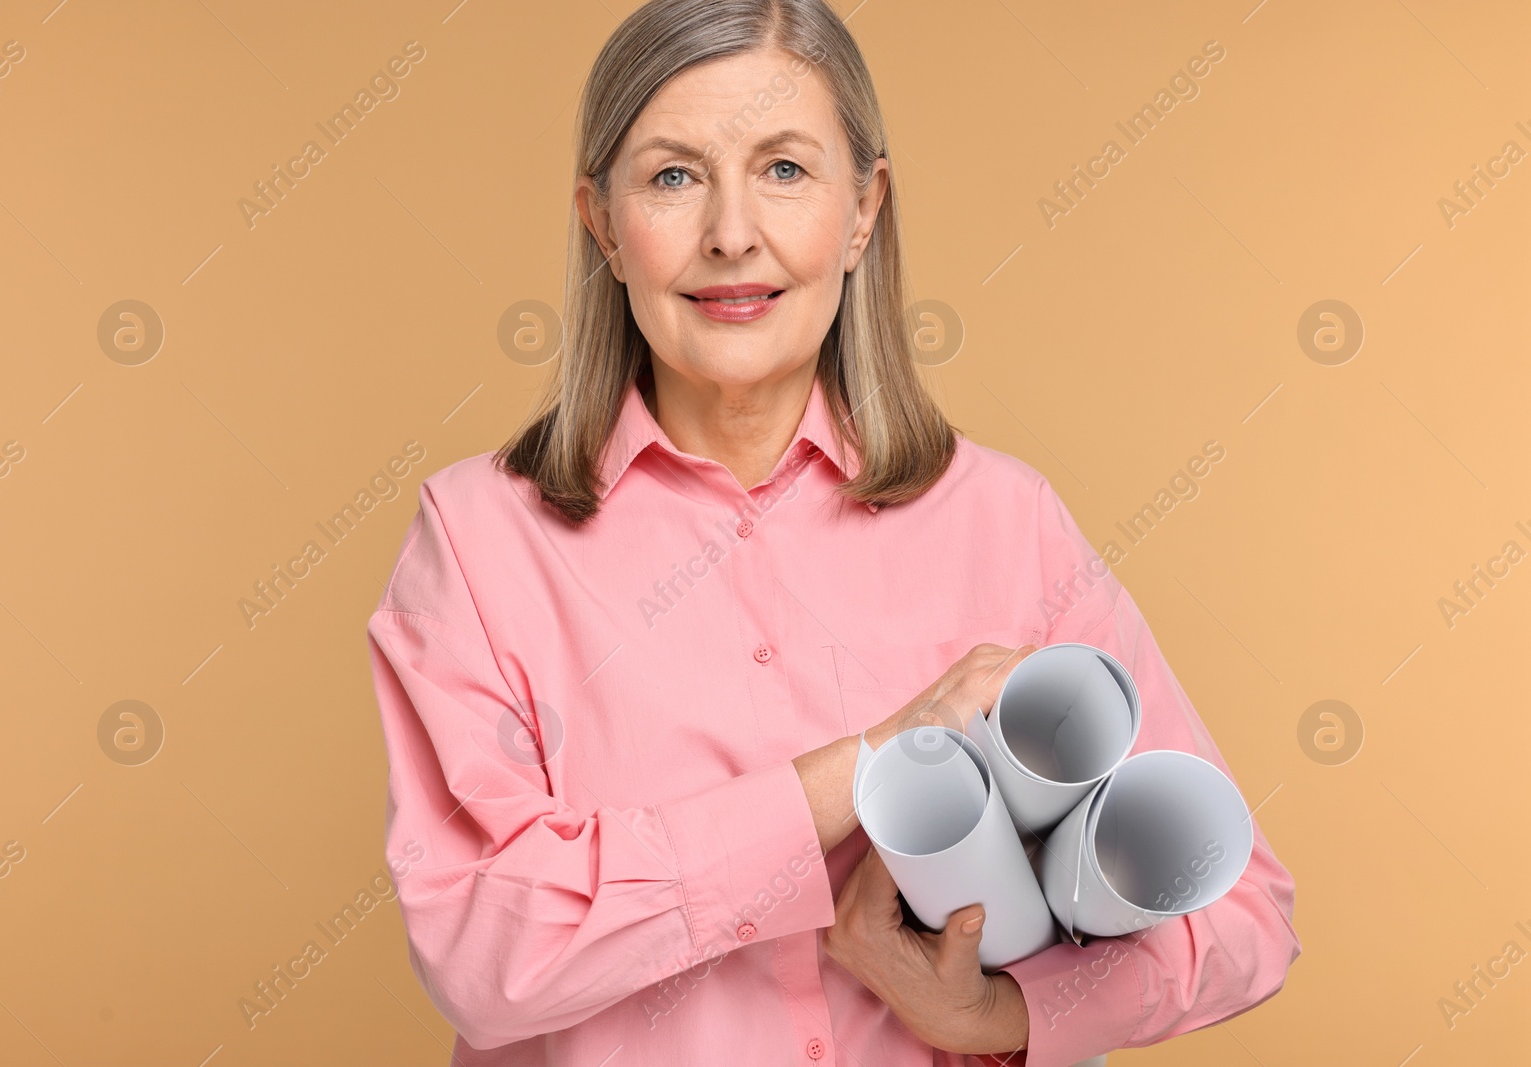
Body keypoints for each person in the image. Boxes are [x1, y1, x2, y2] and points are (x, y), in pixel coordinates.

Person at [364, 1, 1301, 1063]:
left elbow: (1239, 912)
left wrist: (999, 1014)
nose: (729, 232)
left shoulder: (1004, 521)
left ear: (864, 211)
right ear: (601, 224)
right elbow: (484, 956)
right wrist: (865, 766)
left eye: (784, 170)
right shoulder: (481, 541)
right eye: (672, 175)